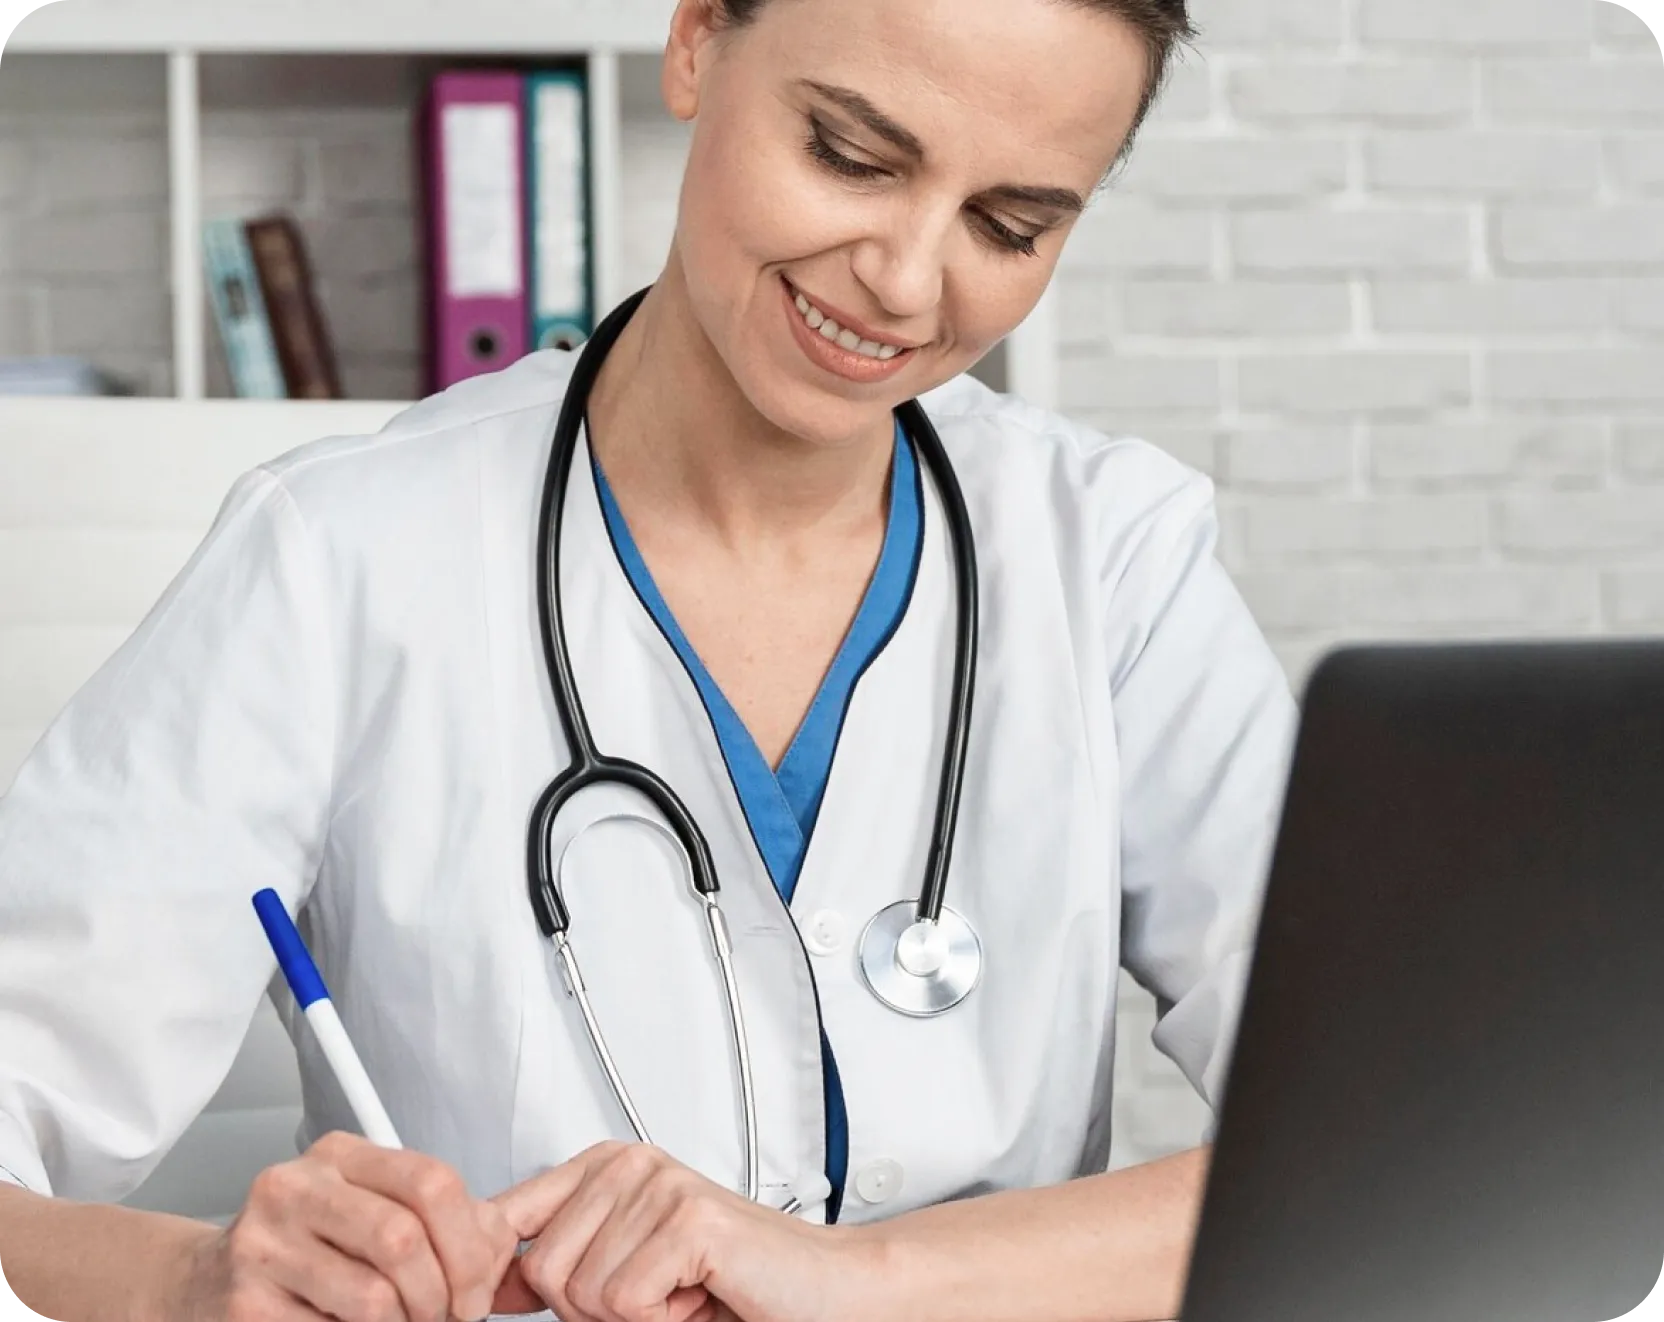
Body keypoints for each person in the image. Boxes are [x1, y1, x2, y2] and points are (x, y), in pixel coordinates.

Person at [0, 1, 1297, 1319]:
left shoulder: (1113, 560)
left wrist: (855, 1278)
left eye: (1010, 225)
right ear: (694, 42)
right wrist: (190, 1276)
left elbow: (1420, 1119)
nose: (908, 280)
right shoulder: (341, 558)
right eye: (851, 154)